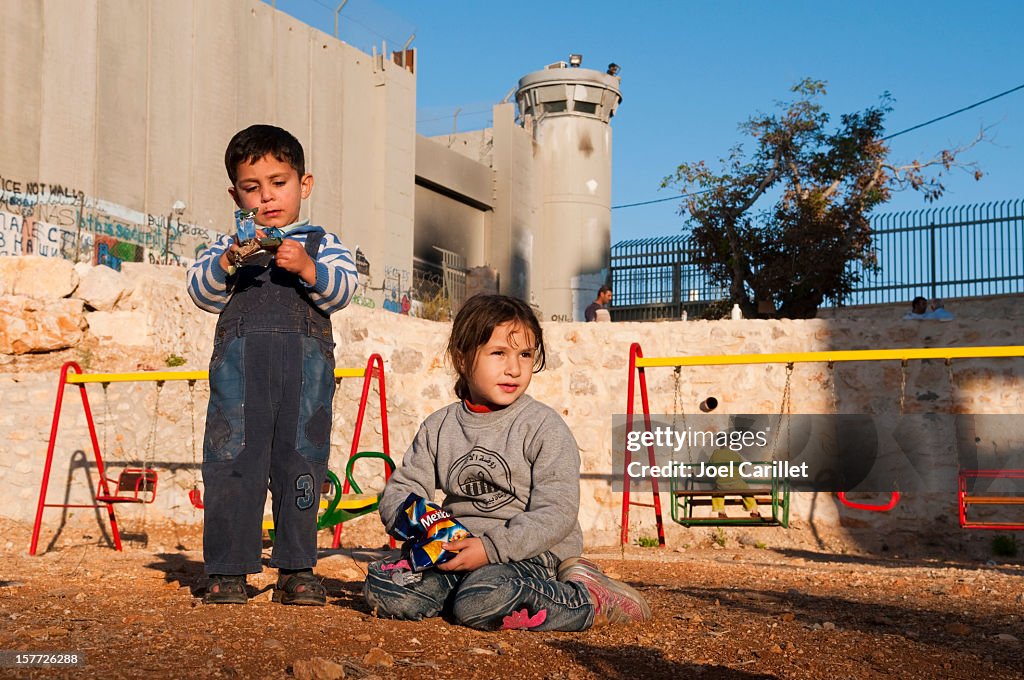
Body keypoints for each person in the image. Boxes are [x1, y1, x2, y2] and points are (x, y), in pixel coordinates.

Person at [363, 294, 651, 630]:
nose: (514, 368)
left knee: (482, 599)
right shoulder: (439, 427)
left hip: (530, 553)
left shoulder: (543, 427)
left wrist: (490, 548)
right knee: (389, 589)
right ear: (462, 358)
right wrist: (422, 525)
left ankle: (588, 598)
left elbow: (556, 512)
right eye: (498, 353)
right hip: (457, 550)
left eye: (525, 355)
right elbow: (403, 489)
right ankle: (464, 596)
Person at [186, 124, 359, 606]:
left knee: (301, 464)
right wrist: (226, 263)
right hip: (239, 381)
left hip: (305, 381)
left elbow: (343, 291)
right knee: (231, 464)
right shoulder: (225, 248)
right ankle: (228, 568)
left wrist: (307, 267)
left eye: (279, 183)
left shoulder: (324, 243)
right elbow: (199, 293)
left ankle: (297, 567)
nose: (266, 197)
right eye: (252, 187)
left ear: (304, 184)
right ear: (235, 193)